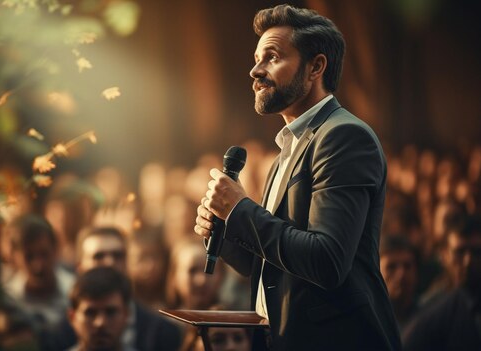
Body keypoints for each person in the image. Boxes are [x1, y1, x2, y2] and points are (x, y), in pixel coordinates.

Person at [193, 4, 401, 350]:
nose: (254, 70)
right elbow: (277, 265)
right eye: (256, 59)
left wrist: (242, 210)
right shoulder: (287, 149)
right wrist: (227, 230)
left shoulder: (344, 136)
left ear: (315, 67)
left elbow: (326, 260)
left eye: (271, 57)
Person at [52, 225, 182, 351]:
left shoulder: (162, 331)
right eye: (99, 256)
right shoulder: (59, 335)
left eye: (117, 255)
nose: (110, 263)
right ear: (79, 267)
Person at [402, 214, 481, 350]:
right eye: (459, 252)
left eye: (476, 252)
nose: (468, 261)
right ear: (444, 255)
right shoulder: (431, 317)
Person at [379, 235, 420, 331]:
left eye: (407, 266)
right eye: (391, 267)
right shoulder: (368, 321)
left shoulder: (429, 317)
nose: (401, 274)